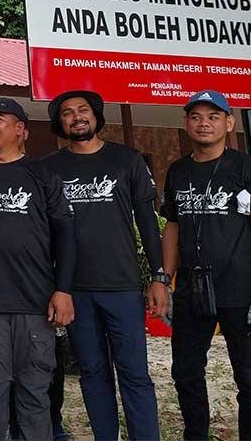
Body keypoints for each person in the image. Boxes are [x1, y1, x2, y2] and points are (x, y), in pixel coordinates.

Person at [42, 90, 164, 440]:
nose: (76, 116)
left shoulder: (126, 160)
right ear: (60, 123)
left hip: (122, 286)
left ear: (96, 117)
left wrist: (158, 276)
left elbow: (147, 219)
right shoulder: (50, 167)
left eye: (83, 110)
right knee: (94, 373)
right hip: (74, 289)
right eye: (67, 112)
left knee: (135, 373)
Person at [162, 90, 251, 440]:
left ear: (229, 123)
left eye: (214, 116)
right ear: (185, 123)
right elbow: (171, 226)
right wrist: (163, 278)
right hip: (191, 290)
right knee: (185, 372)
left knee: (249, 376)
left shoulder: (248, 170)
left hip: (239, 289)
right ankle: (195, 434)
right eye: (196, 116)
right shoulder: (178, 172)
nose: (204, 123)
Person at [0, 98, 75, 441]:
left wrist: (63, 289)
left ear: (20, 129)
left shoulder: (42, 174)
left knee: (34, 395)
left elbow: (66, 234)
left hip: (34, 305)